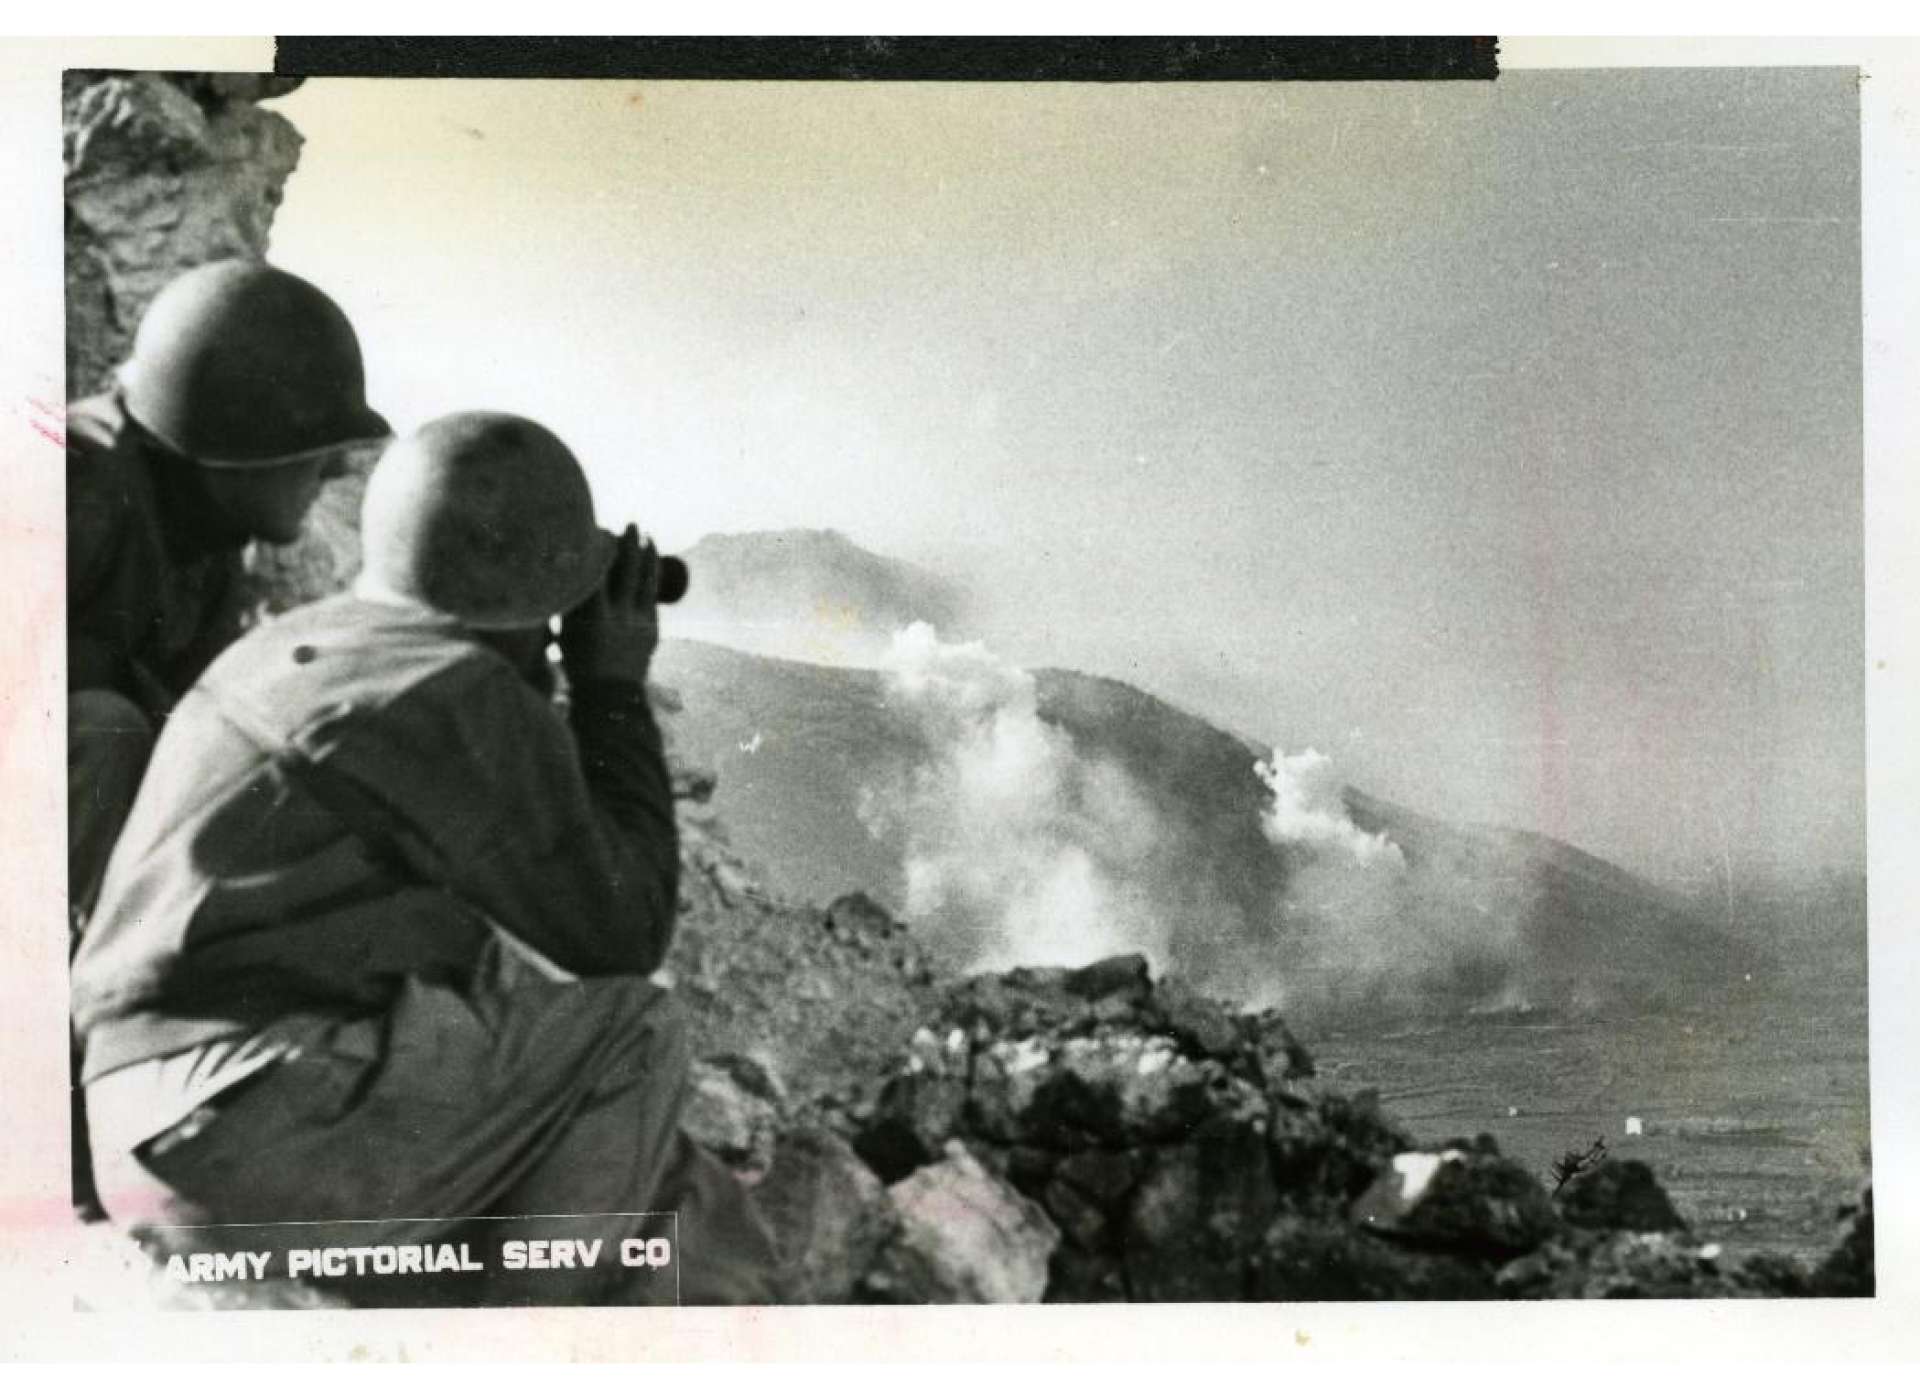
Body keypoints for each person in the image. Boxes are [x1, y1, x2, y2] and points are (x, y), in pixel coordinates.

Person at [71, 412, 778, 1306]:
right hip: (242, 1144)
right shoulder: (452, 689)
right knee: (633, 1034)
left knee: (690, 1212)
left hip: (149, 1130)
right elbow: (624, 929)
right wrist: (610, 690)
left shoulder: (303, 650)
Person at [67, 258, 391, 930]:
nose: (332, 470)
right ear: (228, 436)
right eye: (312, 446)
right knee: (105, 729)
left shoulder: (207, 533)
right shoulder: (73, 485)